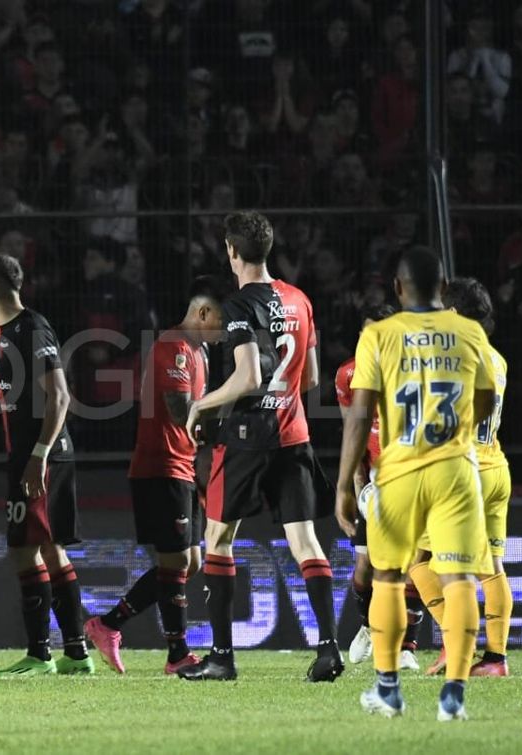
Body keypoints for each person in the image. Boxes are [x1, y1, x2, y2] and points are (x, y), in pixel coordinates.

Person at [178, 211, 342, 683]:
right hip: (293, 435)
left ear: (231, 251)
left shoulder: (237, 306)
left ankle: (222, 657)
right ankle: (329, 649)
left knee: (218, 539)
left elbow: (247, 377)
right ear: (267, 249)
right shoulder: (299, 300)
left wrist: (202, 404)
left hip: (248, 438)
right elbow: (311, 377)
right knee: (305, 541)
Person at [336, 248, 496, 720]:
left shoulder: (380, 336)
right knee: (460, 579)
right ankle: (454, 696)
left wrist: (345, 483)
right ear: (442, 288)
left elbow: (360, 414)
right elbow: (487, 400)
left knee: (387, 578)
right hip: (455, 470)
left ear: (398, 288)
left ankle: (387, 688)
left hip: (399, 469)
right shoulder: (469, 332)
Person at [0, 254, 93, 676]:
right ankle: (72, 653)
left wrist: (38, 456)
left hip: (41, 456)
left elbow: (60, 396)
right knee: (44, 549)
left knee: (28, 551)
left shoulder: (33, 328)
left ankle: (46, 653)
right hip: (29, 455)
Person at [85, 278, 223, 676]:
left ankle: (107, 624)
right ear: (201, 313)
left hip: (183, 465)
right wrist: (225, 420)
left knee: (189, 561)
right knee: (177, 559)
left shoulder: (201, 353)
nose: (224, 331)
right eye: (220, 321)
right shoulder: (173, 347)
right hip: (160, 465)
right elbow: (181, 411)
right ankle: (177, 654)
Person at [408, 277, 513, 679]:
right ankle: (495, 659)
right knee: (492, 567)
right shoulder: (496, 358)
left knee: (420, 560)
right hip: (495, 468)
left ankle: (456, 649)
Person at [338, 304, 424, 673]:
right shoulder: (348, 375)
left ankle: (406, 646)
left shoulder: (415, 371)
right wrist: (355, 482)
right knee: (364, 570)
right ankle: (368, 627)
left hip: (411, 479)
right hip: (372, 482)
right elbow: (352, 430)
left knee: (414, 567)